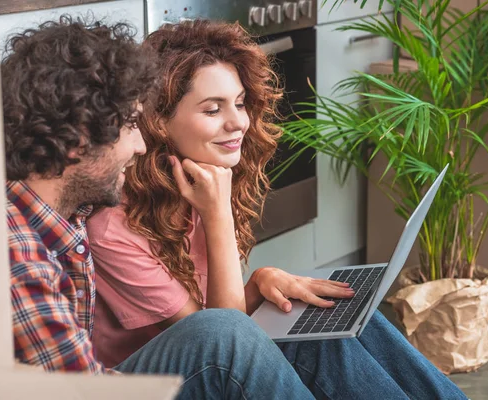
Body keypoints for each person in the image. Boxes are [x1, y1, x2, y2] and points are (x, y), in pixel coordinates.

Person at [87, 20, 468, 400]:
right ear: (159, 123)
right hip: (159, 383)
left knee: (320, 310)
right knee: (292, 324)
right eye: (212, 109)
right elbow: (218, 340)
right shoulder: (114, 227)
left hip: (212, 343)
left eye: (238, 103)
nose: (238, 122)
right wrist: (218, 215)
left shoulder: (202, 179)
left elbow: (222, 312)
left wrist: (260, 281)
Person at [3, 16, 322, 399]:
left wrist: (257, 284)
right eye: (129, 126)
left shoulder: (69, 219)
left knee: (318, 318)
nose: (141, 144)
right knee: (227, 334)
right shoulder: (21, 260)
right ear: (77, 142)